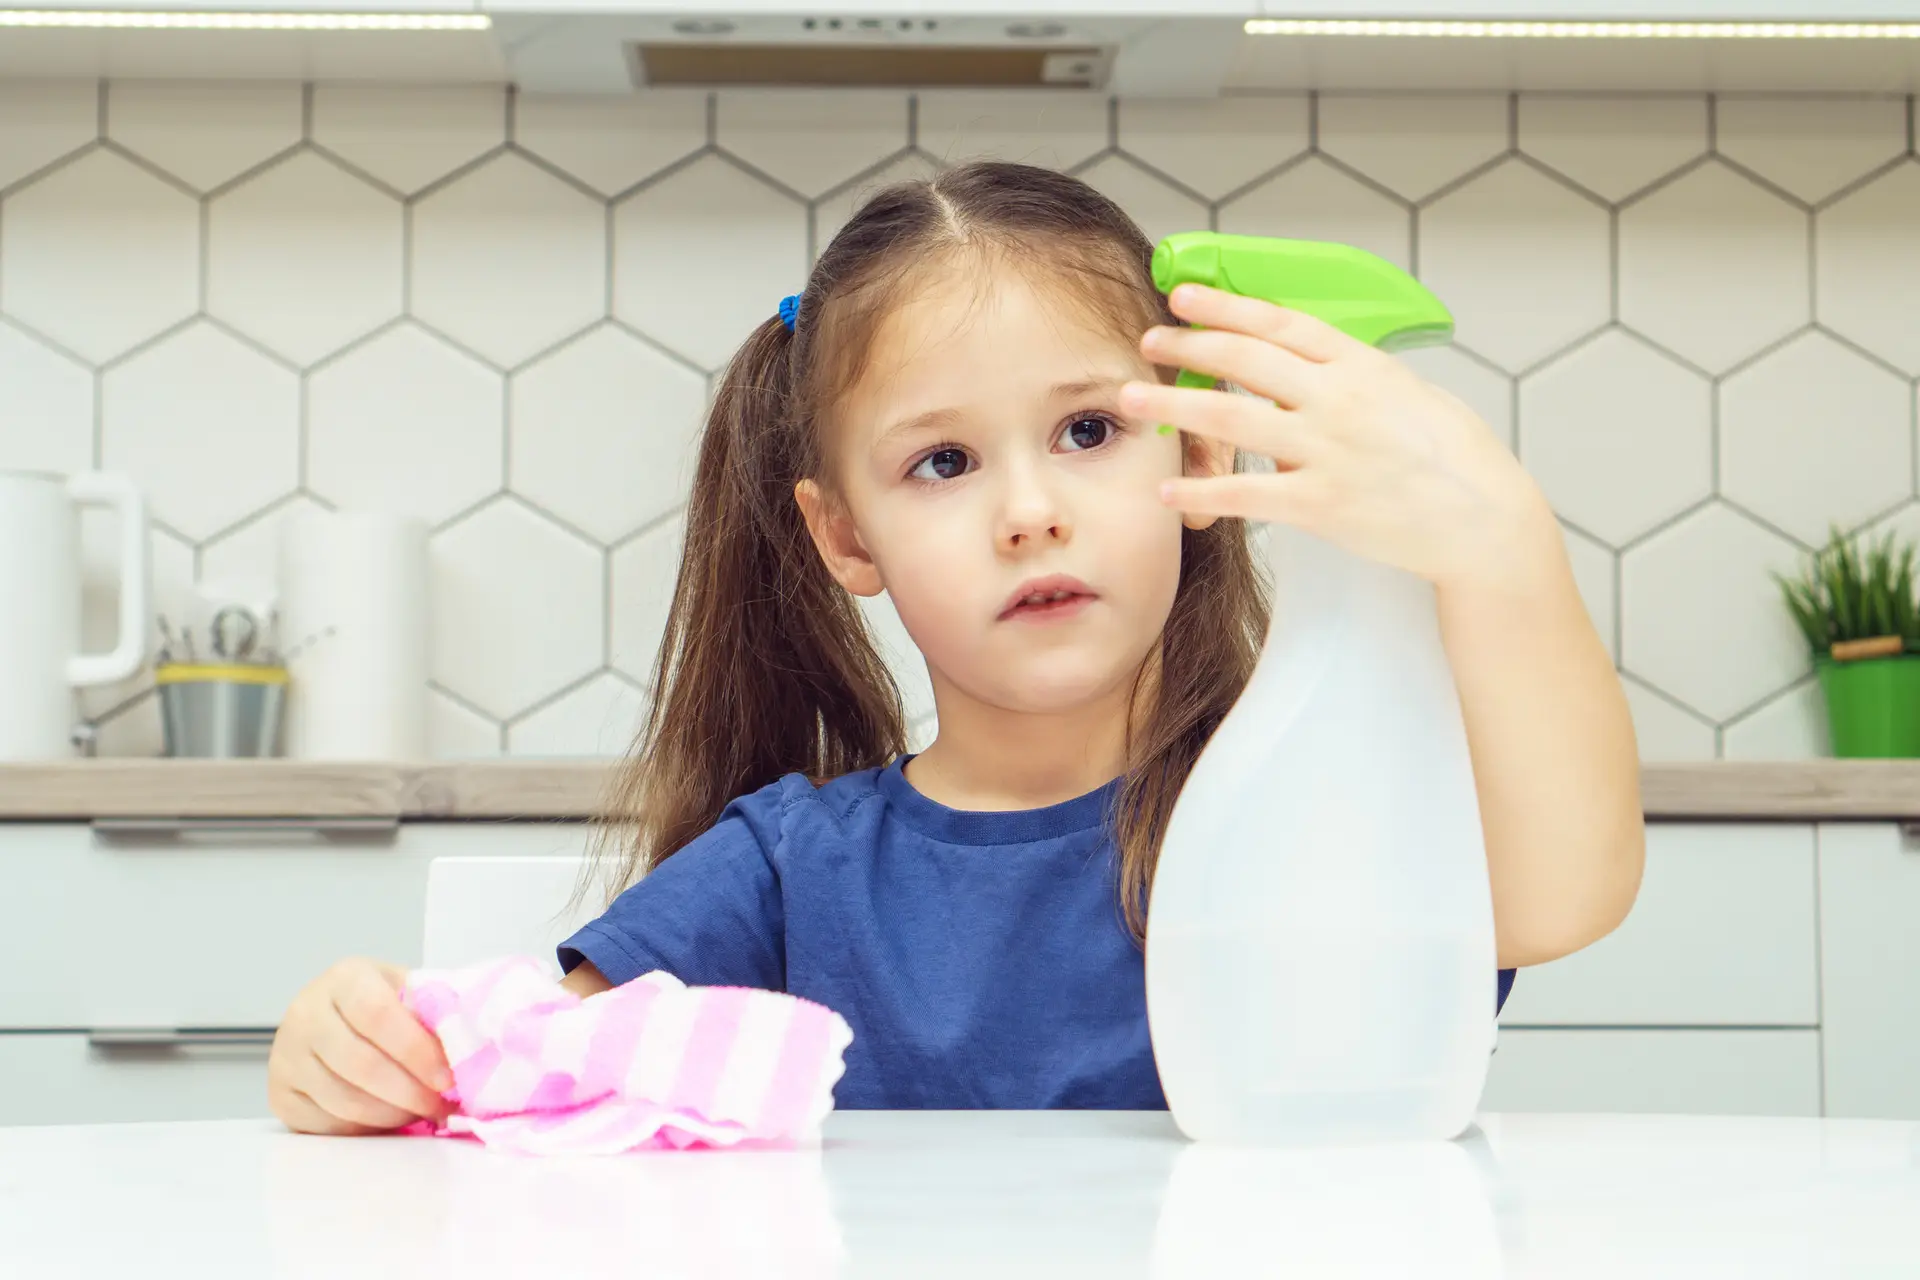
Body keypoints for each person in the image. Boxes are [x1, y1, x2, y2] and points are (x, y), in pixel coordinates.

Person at [267, 161, 1644, 1134]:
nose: (1032, 512)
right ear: (844, 537)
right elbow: (517, 1052)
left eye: (1089, 432)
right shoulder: (789, 865)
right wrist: (368, 1038)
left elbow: (1564, 895)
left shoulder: (1312, 819)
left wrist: (1502, 540)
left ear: (1201, 441)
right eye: (942, 462)